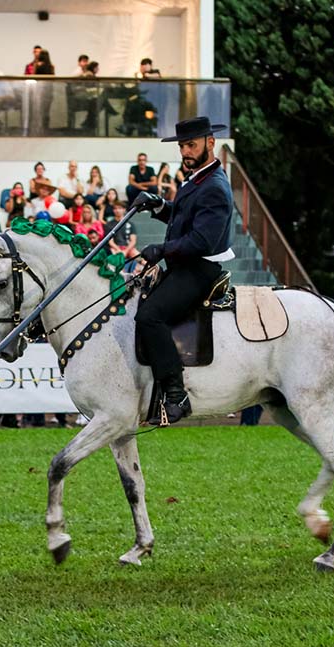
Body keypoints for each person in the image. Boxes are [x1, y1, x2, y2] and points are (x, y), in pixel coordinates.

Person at [131, 116, 232, 425]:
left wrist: (161, 250)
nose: (186, 152)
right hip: (185, 265)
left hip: (199, 269)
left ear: (210, 142)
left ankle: (176, 395)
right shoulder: (199, 178)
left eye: (191, 145)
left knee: (149, 316)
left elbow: (202, 240)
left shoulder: (214, 186)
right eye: (182, 146)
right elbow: (183, 218)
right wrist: (159, 206)